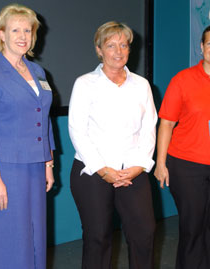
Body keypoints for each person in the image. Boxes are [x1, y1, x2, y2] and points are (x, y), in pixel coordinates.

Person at [0, 3, 55, 269]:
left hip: (34, 167)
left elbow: (43, 118)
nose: (22, 36)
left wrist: (48, 164)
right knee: (6, 239)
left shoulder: (38, 72)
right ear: (1, 35)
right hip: (3, 170)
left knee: (34, 238)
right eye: (15, 29)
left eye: (27, 31)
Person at [154, 24, 210, 269]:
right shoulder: (182, 80)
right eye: (209, 43)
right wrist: (160, 163)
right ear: (201, 47)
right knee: (192, 229)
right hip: (186, 166)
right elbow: (166, 124)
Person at [68, 21, 157, 269]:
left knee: (144, 235)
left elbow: (149, 127)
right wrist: (103, 169)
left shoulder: (142, 85)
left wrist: (138, 166)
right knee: (98, 238)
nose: (118, 51)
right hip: (93, 171)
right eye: (111, 45)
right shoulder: (85, 83)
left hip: (132, 171)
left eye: (124, 45)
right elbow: (77, 130)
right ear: (99, 50)